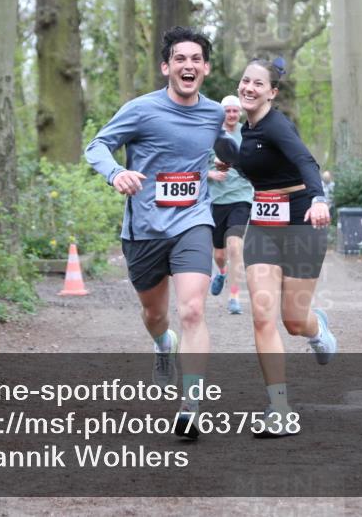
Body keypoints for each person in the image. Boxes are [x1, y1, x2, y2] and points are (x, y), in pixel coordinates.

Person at [85, 26, 231, 439]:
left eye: (196, 59)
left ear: (205, 68)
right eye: (180, 59)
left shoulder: (215, 113)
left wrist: (226, 164)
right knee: (156, 314)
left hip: (194, 222)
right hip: (145, 229)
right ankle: (163, 343)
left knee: (193, 310)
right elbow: (97, 145)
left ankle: (192, 404)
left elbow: (226, 146)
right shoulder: (141, 110)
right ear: (166, 66)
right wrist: (116, 173)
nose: (188, 65)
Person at [216, 57, 337, 438]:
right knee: (263, 316)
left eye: (257, 84)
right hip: (264, 227)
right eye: (244, 81)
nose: (248, 88)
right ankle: (279, 406)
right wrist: (225, 165)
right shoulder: (247, 133)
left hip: (302, 221)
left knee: (293, 321)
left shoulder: (277, 125)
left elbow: (304, 159)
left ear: (272, 92)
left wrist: (319, 199)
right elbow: (251, 160)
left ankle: (317, 330)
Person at [207, 95, 253, 315]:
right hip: (216, 200)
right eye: (228, 111)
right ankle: (222, 272)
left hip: (242, 197)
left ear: (240, 113)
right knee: (219, 253)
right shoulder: (211, 135)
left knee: (235, 246)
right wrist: (211, 173)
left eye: (236, 111)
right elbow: (194, 166)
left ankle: (234, 296)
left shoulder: (247, 134)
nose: (232, 115)